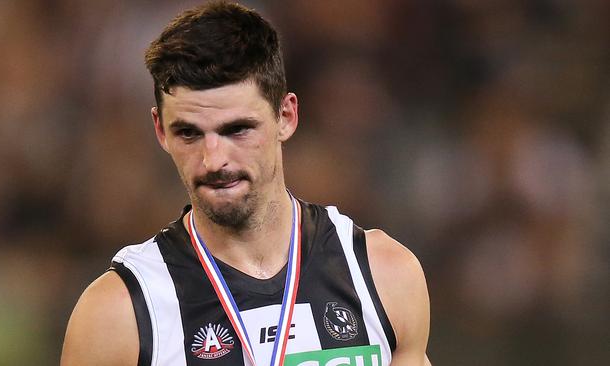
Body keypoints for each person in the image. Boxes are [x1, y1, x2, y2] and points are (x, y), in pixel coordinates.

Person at [60, 2, 431, 365]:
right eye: (188, 133)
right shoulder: (119, 314)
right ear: (160, 130)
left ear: (285, 116)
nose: (213, 160)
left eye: (237, 129)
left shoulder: (383, 274)